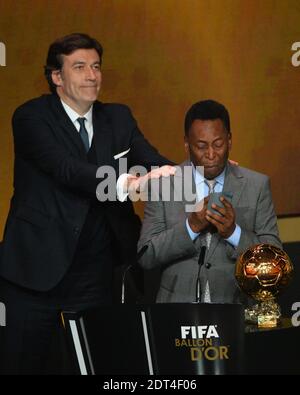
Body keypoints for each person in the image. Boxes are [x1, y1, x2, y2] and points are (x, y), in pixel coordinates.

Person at [0, 33, 175, 374]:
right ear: (56, 77)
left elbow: (153, 162)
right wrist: (128, 183)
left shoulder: (119, 118)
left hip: (96, 273)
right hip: (33, 271)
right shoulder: (31, 117)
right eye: (79, 67)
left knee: (99, 366)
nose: (91, 75)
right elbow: (67, 169)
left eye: (96, 66)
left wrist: (201, 177)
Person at [138, 99, 282, 304]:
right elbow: (147, 255)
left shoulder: (256, 185)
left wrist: (234, 233)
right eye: (201, 146)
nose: (211, 154)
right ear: (187, 144)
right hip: (177, 314)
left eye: (218, 144)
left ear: (229, 140)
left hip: (236, 310)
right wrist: (191, 226)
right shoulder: (163, 185)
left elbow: (275, 260)